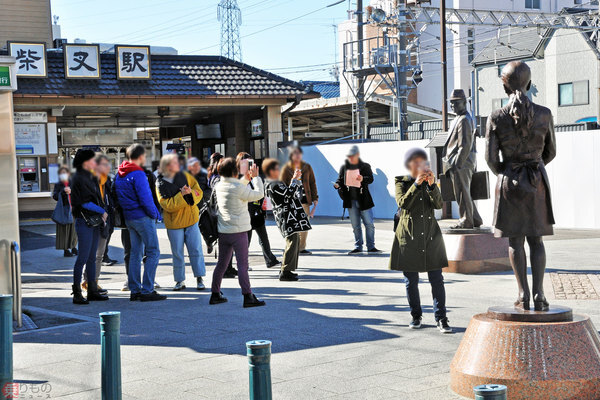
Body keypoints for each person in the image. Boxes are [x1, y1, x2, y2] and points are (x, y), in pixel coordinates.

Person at [485, 61, 556, 311]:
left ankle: (522, 293)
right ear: (529, 83)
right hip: (536, 180)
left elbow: (491, 159)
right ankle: (539, 294)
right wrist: (534, 166)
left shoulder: (496, 117)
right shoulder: (545, 114)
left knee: (515, 241)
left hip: (509, 182)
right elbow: (551, 152)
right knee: (536, 240)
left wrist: (507, 173)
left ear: (504, 84)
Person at [389, 148, 451, 333]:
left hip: (431, 237)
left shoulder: (429, 182)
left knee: (437, 279)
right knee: (411, 281)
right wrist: (416, 184)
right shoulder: (401, 182)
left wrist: (432, 185)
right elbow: (403, 203)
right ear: (410, 166)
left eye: (423, 163)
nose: (421, 167)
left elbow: (438, 204)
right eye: (416, 163)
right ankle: (416, 316)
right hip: (408, 237)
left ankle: (441, 318)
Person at [209, 157, 266, 308]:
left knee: (221, 264)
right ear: (234, 171)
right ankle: (248, 296)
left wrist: (245, 181)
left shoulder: (219, 186)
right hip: (239, 231)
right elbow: (258, 194)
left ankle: (215, 293)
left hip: (224, 231)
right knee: (242, 266)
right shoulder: (238, 188)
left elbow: (235, 189)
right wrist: (256, 178)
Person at [115, 144, 166, 302]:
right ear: (140, 156)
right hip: (143, 217)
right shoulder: (138, 174)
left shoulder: (120, 174)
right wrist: (156, 214)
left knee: (135, 254)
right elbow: (146, 198)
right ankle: (147, 289)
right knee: (153, 252)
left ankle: (135, 289)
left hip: (129, 218)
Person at [157, 153, 206, 291]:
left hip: (191, 219)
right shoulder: (160, 182)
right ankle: (179, 280)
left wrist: (190, 194)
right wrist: (183, 196)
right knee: (177, 253)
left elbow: (198, 191)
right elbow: (167, 205)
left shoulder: (185, 175)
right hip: (174, 223)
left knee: (196, 249)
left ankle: (199, 278)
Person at [69, 149, 109, 304]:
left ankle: (92, 290)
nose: (95, 163)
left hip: (93, 221)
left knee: (91, 258)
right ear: (85, 162)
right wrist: (102, 211)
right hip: (84, 222)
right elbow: (83, 202)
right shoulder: (78, 178)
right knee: (83, 258)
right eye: (93, 160)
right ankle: (77, 293)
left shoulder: (90, 176)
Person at [263, 158, 311, 281]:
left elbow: (289, 193)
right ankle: (286, 271)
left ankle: (287, 269)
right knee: (292, 241)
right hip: (286, 218)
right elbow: (288, 194)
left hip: (289, 217)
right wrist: (295, 180)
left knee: (294, 241)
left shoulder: (275, 182)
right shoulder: (273, 184)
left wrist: (294, 180)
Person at [442, 89, 483, 229]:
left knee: (462, 193)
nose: (453, 106)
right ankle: (475, 218)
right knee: (465, 193)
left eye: (456, 103)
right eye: (451, 103)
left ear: (464, 102)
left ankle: (466, 220)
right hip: (460, 163)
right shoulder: (460, 118)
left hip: (461, 163)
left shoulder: (464, 119)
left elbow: (464, 144)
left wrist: (457, 164)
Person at [334, 145, 381, 254]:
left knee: (369, 224)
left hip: (363, 200)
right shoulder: (344, 167)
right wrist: (336, 184)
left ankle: (371, 247)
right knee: (355, 226)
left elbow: (371, 179)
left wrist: (362, 178)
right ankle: (358, 247)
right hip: (350, 200)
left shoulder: (365, 166)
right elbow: (339, 180)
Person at [236, 152, 280, 268]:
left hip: (258, 211)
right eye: (247, 162)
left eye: (252, 162)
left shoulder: (254, 176)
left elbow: (260, 192)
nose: (251, 165)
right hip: (247, 213)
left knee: (263, 238)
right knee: (246, 241)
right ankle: (243, 263)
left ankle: (270, 260)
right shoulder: (240, 178)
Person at [82, 154, 114, 295]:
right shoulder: (89, 181)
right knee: (93, 255)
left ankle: (92, 282)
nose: (107, 167)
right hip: (92, 222)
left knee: (99, 255)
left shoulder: (106, 182)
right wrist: (101, 211)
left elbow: (111, 200)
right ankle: (89, 283)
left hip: (105, 222)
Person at [280, 146, 318, 254]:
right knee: (293, 225)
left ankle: (301, 248)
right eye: (295, 154)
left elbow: (312, 183)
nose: (297, 156)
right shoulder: (286, 168)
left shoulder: (307, 167)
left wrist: (315, 197)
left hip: (305, 200)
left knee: (304, 224)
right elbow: (282, 184)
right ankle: (293, 247)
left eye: (299, 154)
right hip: (292, 201)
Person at [207, 153, 238, 278]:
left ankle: (228, 267)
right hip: (221, 212)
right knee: (225, 243)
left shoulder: (212, 175)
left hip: (219, 212)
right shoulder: (217, 178)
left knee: (226, 243)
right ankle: (226, 269)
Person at [52, 166, 78, 257]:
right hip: (64, 210)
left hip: (73, 209)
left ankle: (74, 247)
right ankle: (66, 250)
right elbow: (55, 196)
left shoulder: (73, 182)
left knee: (74, 230)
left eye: (65, 172)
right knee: (64, 230)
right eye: (62, 173)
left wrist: (72, 192)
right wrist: (63, 192)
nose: (64, 174)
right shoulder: (58, 184)